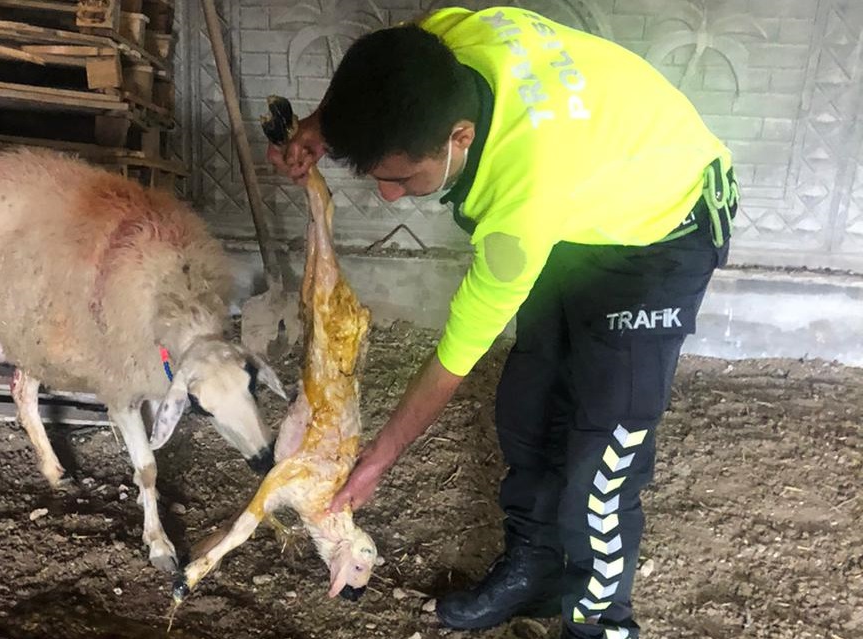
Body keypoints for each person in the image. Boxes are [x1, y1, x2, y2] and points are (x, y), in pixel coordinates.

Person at [266, 6, 738, 639]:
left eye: (402, 179)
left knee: (600, 461)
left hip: (664, 229)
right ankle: (536, 568)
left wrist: (382, 455)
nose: (390, 195)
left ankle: (601, 623)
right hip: (585, 203)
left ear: (459, 136)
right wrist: (324, 125)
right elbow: (381, 72)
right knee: (530, 404)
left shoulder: (520, 208)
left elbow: (456, 356)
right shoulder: (455, 36)